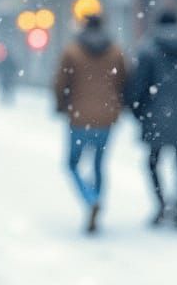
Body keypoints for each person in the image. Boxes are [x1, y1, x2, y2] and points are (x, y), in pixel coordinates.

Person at [126, 9, 177, 230]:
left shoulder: (149, 51)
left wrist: (138, 111)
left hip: (156, 116)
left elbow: (138, 87)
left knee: (153, 162)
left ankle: (161, 205)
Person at [52, 14, 127, 234]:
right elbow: (124, 81)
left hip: (79, 117)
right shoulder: (115, 51)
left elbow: (61, 82)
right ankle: (97, 201)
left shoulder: (72, 51)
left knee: (72, 163)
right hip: (106, 118)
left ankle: (90, 198)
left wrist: (60, 105)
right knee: (98, 164)